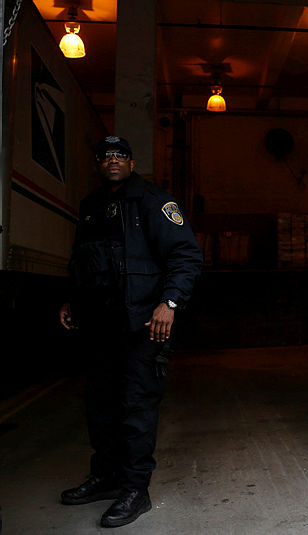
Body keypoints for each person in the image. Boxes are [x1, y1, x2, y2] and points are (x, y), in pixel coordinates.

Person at [58, 136, 203, 528]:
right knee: (100, 405)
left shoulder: (154, 202)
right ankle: (105, 477)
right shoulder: (90, 206)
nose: (113, 161)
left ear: (133, 162)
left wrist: (169, 303)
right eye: (105, 156)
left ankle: (136, 489)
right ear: (97, 164)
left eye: (120, 155)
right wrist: (73, 300)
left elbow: (186, 255)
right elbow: (81, 262)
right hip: (99, 324)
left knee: (136, 407)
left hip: (142, 324)